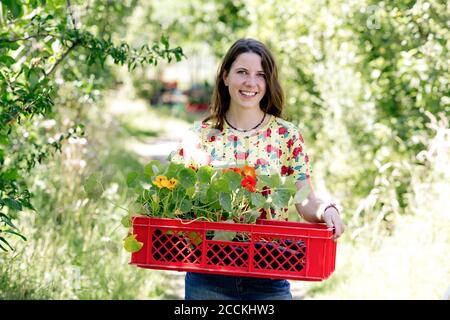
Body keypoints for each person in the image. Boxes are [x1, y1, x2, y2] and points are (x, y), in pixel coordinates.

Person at [169, 38, 345, 300]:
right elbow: (181, 204)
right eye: (242, 72)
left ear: (268, 83)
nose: (251, 82)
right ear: (225, 77)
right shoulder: (199, 136)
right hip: (208, 273)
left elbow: (304, 198)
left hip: (269, 272)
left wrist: (325, 209)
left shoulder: (287, 135)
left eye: (260, 75)